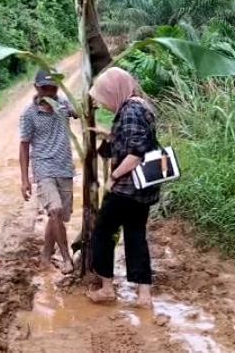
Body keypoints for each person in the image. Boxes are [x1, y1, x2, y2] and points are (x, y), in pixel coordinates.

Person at [86, 67, 158, 308]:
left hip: (127, 189)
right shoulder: (141, 107)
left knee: (102, 232)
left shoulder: (130, 110)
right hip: (143, 190)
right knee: (136, 236)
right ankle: (144, 295)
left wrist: (113, 177)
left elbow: (136, 153)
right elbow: (137, 140)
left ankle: (106, 288)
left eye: (105, 96)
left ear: (114, 91)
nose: (104, 103)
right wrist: (108, 135)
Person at [19, 70, 78, 274]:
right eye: (46, 88)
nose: (50, 92)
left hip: (65, 168)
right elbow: (24, 145)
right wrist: (25, 179)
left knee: (59, 217)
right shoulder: (29, 114)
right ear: (37, 88)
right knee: (55, 210)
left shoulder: (63, 104)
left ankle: (45, 255)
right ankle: (66, 258)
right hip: (43, 168)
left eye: (54, 88)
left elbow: (80, 112)